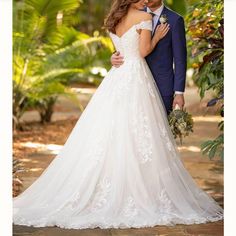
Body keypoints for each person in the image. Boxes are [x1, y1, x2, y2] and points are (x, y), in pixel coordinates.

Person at [13, 0, 223, 229]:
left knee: (125, 136)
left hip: (130, 82)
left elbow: (177, 59)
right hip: (137, 81)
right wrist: (148, 41)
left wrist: (178, 92)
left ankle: (145, 186)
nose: (145, 0)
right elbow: (140, 51)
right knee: (137, 138)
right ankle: (132, 191)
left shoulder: (128, 18)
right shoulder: (143, 17)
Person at [111, 0, 187, 115]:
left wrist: (179, 92)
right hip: (133, 85)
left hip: (162, 86)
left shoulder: (175, 20)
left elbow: (180, 59)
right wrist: (114, 56)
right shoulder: (134, 14)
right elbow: (126, 42)